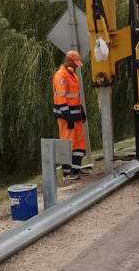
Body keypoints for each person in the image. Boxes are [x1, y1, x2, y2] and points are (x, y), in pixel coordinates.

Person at [52, 50, 87, 180]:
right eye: (75, 63)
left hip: (75, 115)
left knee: (79, 143)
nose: (77, 65)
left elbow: (75, 97)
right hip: (66, 117)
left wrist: (81, 110)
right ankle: (67, 172)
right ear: (69, 61)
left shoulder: (73, 75)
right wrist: (67, 115)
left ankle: (76, 170)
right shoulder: (61, 75)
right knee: (67, 143)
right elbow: (61, 98)